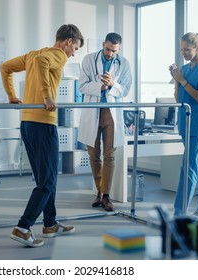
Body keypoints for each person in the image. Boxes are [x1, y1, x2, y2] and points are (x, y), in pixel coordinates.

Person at [0, 24, 84, 247]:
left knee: (46, 179)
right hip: (43, 124)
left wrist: (11, 95)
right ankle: (23, 227)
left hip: (27, 123)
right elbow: (42, 63)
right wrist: (47, 96)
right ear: (68, 42)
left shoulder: (33, 53)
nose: (73, 53)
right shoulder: (57, 55)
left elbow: (5, 67)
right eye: (75, 47)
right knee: (47, 181)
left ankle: (50, 224)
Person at [77, 33, 132, 211]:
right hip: (92, 109)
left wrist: (113, 84)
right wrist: (100, 86)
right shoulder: (88, 59)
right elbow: (82, 86)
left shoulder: (124, 63)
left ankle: (106, 196)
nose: (109, 53)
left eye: (113, 51)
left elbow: (125, 90)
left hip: (111, 111)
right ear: (103, 44)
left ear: (119, 49)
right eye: (107, 49)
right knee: (94, 154)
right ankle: (99, 192)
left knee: (109, 154)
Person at [168, 32, 198, 221]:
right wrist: (176, 79)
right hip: (186, 124)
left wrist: (182, 80)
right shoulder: (185, 69)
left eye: (187, 49)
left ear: (197, 48)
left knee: (188, 167)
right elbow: (179, 99)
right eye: (181, 50)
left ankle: (179, 212)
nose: (184, 53)